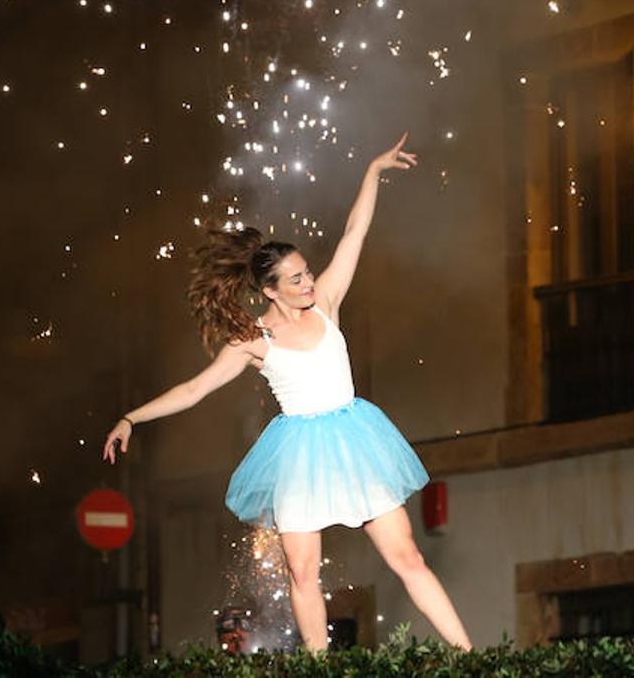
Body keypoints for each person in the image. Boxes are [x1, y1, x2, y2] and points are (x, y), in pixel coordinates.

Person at [103, 133, 472, 652]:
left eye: (307, 273)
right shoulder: (254, 340)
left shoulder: (327, 302)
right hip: (298, 456)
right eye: (295, 280)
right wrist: (131, 418)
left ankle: (469, 655)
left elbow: (354, 231)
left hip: (357, 441)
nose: (308, 283)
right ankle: (319, 665)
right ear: (269, 290)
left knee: (407, 556)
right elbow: (194, 389)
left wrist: (373, 170)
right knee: (302, 572)